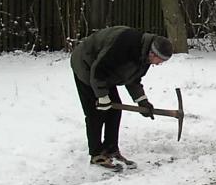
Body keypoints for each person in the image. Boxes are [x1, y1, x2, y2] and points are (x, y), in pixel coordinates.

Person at [71, 27, 173, 170]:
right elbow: (98, 70)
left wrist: (142, 101)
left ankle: (111, 149)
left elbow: (133, 80)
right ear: (153, 52)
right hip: (86, 65)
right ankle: (97, 155)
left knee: (114, 109)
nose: (158, 64)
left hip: (106, 73)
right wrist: (102, 96)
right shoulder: (124, 45)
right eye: (160, 60)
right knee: (96, 112)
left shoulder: (145, 57)